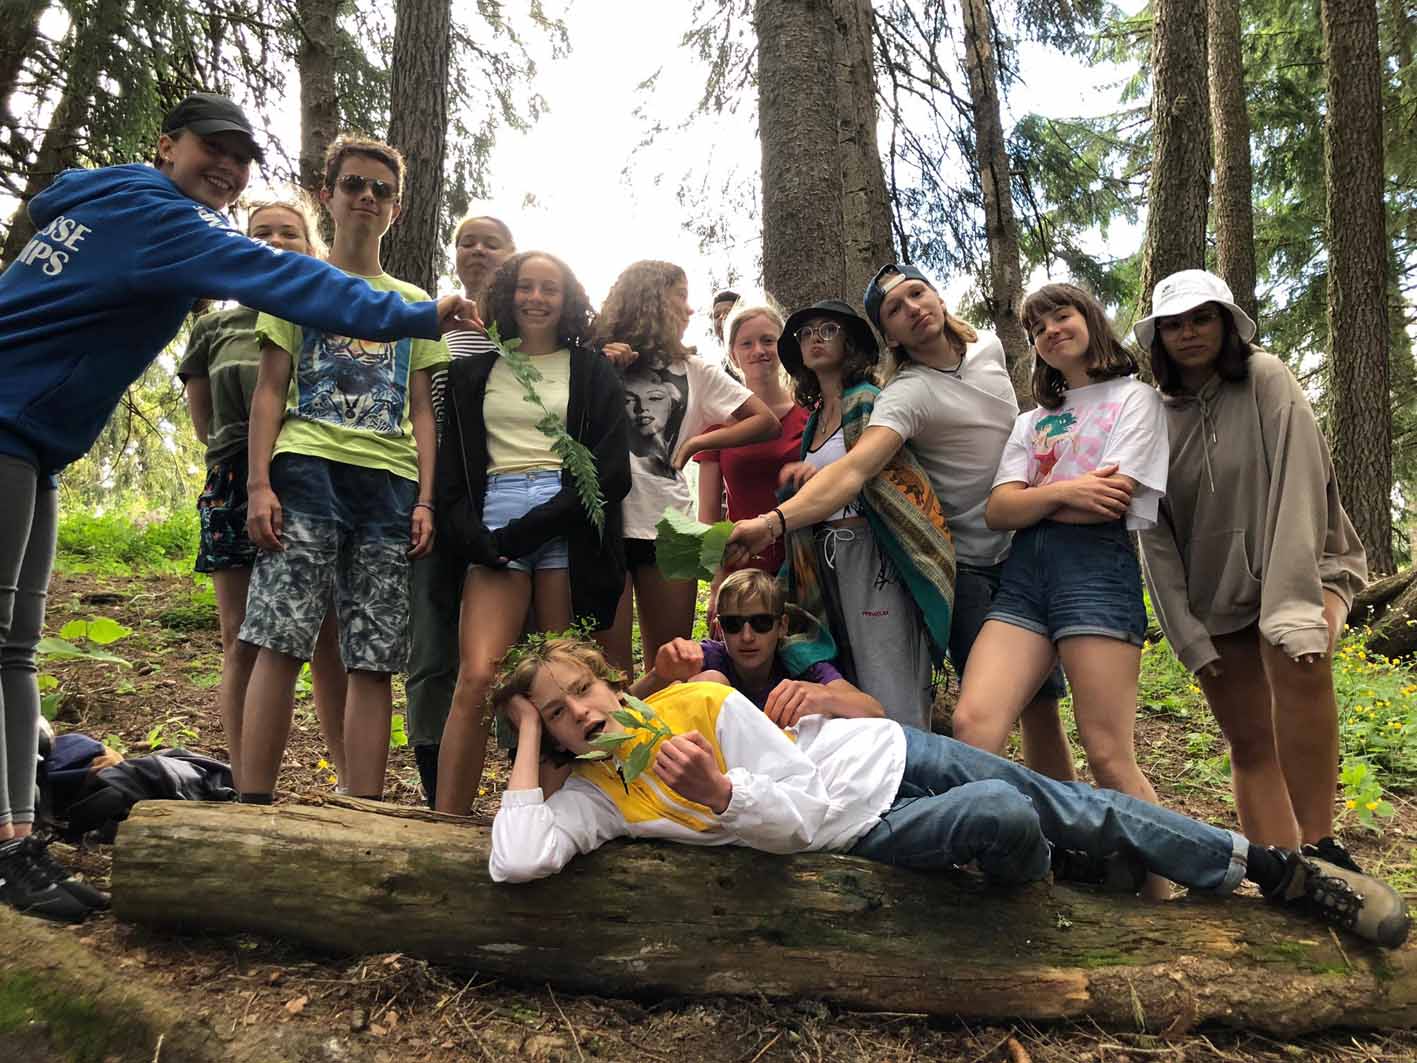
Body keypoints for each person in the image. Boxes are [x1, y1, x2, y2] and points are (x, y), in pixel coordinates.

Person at [0, 93, 475, 920]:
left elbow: (51, 197)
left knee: (15, 648)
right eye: (210, 148)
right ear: (167, 145)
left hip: (34, 442)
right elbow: (291, 282)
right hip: (10, 421)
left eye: (241, 157)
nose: (227, 167)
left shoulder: (111, 191)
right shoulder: (172, 222)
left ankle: (14, 840)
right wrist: (414, 312)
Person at [485, 635, 1410, 950]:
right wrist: (723, 798)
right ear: (553, 738)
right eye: (558, 714)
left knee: (1071, 802)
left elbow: (802, 776)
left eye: (582, 689)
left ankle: (1278, 870)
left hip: (887, 750)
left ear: (608, 678)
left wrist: (721, 779)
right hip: (863, 827)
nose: (582, 712)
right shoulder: (599, 800)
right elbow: (519, 858)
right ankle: (1063, 874)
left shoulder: (697, 702)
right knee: (1008, 816)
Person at [726, 272, 1070, 764]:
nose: (912, 307)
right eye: (807, 333)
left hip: (1006, 547)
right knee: (925, 696)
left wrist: (772, 520)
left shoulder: (977, 353)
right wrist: (786, 506)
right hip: (944, 559)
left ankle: (949, 782)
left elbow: (864, 474)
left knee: (1036, 706)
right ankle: (906, 779)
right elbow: (851, 471)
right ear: (888, 334)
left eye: (829, 330)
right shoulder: (881, 401)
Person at [236, 135, 450, 806]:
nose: (367, 198)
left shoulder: (413, 302)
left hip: (390, 485)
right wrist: (259, 484)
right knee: (280, 637)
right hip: (307, 471)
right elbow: (270, 390)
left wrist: (426, 499)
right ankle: (251, 802)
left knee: (374, 653)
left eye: (381, 190)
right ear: (327, 195)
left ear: (397, 209)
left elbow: (423, 411)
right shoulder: (296, 285)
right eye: (354, 184)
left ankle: (363, 808)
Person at [1136, 270, 1368, 865]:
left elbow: (1300, 485)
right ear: (1159, 338)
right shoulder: (1151, 416)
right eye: (1173, 325)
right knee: (1249, 740)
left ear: (1227, 323)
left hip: (1306, 566)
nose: (1189, 333)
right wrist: (1186, 634)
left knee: (1297, 656)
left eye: (1202, 318)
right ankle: (1286, 873)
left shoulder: (1267, 378)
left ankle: (1322, 849)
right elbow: (1153, 536)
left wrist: (1291, 609)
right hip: (1217, 594)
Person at [947, 282, 1168, 895]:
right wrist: (1069, 491)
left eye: (1060, 315)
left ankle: (1164, 901)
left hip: (1095, 574)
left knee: (1108, 754)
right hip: (1024, 581)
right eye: (1036, 327)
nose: (1049, 330)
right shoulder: (1032, 421)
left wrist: (1037, 500)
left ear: (1089, 318)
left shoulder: (1135, 399)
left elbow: (1113, 499)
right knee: (974, 725)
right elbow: (998, 510)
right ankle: (1032, 870)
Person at [433, 251, 630, 817]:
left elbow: (611, 472)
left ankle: (555, 821)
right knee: (478, 676)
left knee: (563, 685)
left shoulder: (591, 370)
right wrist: (474, 536)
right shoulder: (474, 372)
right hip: (495, 518)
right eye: (525, 287)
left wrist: (528, 530)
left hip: (568, 519)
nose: (536, 298)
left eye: (549, 288)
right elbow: (453, 469)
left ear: (567, 300)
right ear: (507, 295)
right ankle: (445, 821)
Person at [179, 194, 348, 792]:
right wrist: (247, 470)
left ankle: (350, 781)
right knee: (241, 636)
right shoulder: (212, 328)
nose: (274, 242)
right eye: (261, 232)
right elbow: (205, 421)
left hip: (312, 476)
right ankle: (247, 782)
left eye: (288, 233)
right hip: (233, 481)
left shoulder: (326, 318)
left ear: (312, 247)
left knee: (325, 634)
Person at [768, 299, 956, 731]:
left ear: (850, 343)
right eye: (805, 333)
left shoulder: (869, 402)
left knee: (889, 673)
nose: (815, 339)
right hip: (827, 559)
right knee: (851, 676)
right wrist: (797, 485)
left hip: (874, 556)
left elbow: (880, 476)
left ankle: (913, 759)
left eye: (828, 330)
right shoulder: (815, 421)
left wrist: (819, 479)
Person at [593, 261, 779, 673]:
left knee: (672, 662)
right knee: (609, 670)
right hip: (605, 524)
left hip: (673, 528)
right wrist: (601, 364)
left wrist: (698, 442)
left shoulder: (697, 371)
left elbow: (765, 421)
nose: (689, 309)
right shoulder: (596, 360)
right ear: (652, 299)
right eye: (680, 296)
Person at [406, 213, 517, 803]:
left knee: (508, 647)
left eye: (490, 243)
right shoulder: (431, 327)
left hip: (504, 505)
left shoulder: (527, 330)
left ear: (511, 254)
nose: (477, 251)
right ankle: (437, 790)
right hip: (434, 500)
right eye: (466, 242)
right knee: (431, 642)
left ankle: (519, 770)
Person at [630, 568, 884, 726]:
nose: (747, 636)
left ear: (782, 626)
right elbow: (620, 710)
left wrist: (824, 698)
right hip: (717, 770)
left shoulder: (799, 659)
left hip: (790, 763)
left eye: (761, 623)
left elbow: (875, 711)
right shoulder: (706, 659)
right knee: (711, 682)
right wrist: (658, 675)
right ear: (719, 629)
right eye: (733, 624)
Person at [694, 298, 808, 614]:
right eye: (747, 343)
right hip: (742, 570)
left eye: (768, 340)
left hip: (806, 567)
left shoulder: (811, 415)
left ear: (783, 347)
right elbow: (708, 516)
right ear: (733, 354)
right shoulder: (717, 423)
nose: (759, 350)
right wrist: (717, 582)